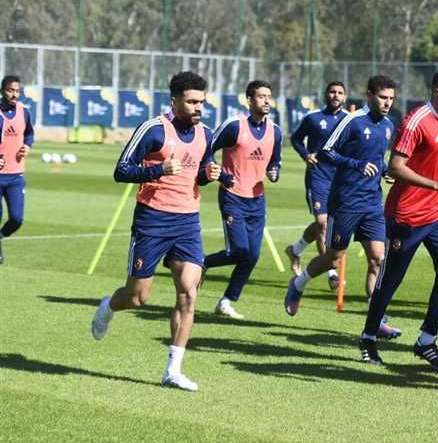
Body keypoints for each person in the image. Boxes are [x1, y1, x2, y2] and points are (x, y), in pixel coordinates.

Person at [90, 72, 221, 392]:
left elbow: (199, 173)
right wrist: (158, 170)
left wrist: (208, 174)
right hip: (152, 221)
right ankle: (109, 306)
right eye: (191, 101)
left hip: (188, 222)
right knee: (137, 297)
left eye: (201, 102)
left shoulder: (206, 133)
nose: (198, 107)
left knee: (188, 292)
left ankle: (173, 371)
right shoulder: (153, 129)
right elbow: (121, 171)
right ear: (174, 101)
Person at [358, 70, 438, 372]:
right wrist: (437, 184)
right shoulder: (415, 121)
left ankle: (427, 341)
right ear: (437, 92)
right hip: (406, 215)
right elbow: (395, 166)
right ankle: (368, 337)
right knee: (390, 280)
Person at [284, 75, 402, 339]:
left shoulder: (387, 125)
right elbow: (326, 152)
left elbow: (376, 158)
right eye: (383, 97)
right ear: (369, 95)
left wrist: (385, 171)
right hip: (345, 202)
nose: (387, 103)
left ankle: (376, 320)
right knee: (333, 258)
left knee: (378, 259)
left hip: (372, 202)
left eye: (391, 99)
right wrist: (356, 165)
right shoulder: (352, 121)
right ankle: (299, 283)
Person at [202, 80, 283, 319]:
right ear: (249, 100)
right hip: (233, 197)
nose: (266, 101)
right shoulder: (234, 125)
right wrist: (220, 174)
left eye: (269, 96)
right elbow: (206, 149)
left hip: (257, 200)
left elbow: (275, 162)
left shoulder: (275, 131)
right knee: (239, 250)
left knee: (252, 255)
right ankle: (203, 263)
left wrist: (274, 172)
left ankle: (226, 301)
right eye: (261, 96)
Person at [286, 81, 349, 281]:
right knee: (322, 223)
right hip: (318, 176)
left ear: (345, 97)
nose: (336, 95)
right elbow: (295, 138)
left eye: (340, 92)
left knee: (326, 224)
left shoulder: (350, 119)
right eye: (332, 91)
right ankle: (331, 272)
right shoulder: (313, 117)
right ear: (326, 94)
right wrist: (305, 154)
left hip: (339, 179)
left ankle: (295, 250)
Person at [0, 75, 34, 264]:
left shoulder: (24, 112)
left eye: (17, 91)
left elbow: (29, 133)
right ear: (2, 91)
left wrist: (27, 146)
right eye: (10, 90)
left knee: (16, 219)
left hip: (16, 176)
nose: (14, 94)